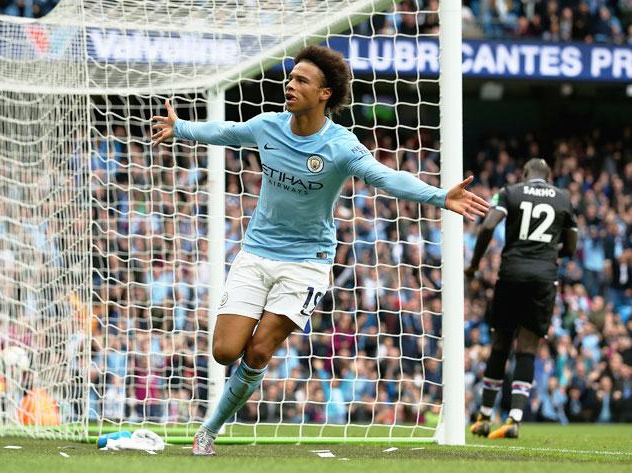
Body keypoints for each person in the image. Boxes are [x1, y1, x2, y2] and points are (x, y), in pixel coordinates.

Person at [152, 45, 489, 455]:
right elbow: (224, 133)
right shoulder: (268, 126)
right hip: (256, 253)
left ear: (325, 93)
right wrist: (181, 127)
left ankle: (209, 430)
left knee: (258, 350)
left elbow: (386, 177)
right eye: (291, 78)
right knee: (225, 351)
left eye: (301, 81)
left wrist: (440, 197)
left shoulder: (341, 146)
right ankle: (224, 403)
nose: (290, 85)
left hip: (306, 263)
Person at [466, 158, 577, 439]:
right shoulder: (563, 197)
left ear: (525, 174)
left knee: (501, 344)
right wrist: (549, 251)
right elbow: (571, 248)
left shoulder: (510, 191)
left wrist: (475, 264)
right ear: (549, 176)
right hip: (543, 279)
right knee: (527, 348)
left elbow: (488, 226)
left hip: (512, 274)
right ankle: (514, 420)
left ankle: (484, 417)